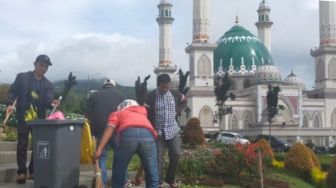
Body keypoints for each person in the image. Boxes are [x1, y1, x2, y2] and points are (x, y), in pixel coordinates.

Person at [6, 54, 59, 184]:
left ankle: (33, 171)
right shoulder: (22, 78)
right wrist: (9, 103)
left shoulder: (48, 85)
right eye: (41, 65)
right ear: (35, 64)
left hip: (39, 121)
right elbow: (12, 92)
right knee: (22, 144)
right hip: (24, 117)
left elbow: (48, 100)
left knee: (38, 146)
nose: (43, 68)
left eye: (46, 66)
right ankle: (22, 172)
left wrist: (52, 103)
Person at [95, 99, 159, 188]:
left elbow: (110, 128)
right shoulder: (142, 114)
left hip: (128, 135)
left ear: (121, 107)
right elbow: (146, 161)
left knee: (118, 177)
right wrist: (139, 175)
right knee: (152, 178)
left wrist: (99, 149)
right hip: (148, 135)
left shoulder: (117, 113)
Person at [146, 74, 187, 188]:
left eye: (167, 87)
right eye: (162, 87)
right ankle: (158, 182)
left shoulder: (175, 94)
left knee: (176, 154)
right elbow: (146, 111)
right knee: (158, 159)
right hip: (158, 132)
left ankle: (170, 178)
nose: (165, 89)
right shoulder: (151, 96)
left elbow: (184, 100)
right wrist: (150, 127)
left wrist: (177, 110)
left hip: (172, 130)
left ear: (169, 85)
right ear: (158, 85)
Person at [86, 78, 124, 187]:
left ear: (104, 86)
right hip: (116, 130)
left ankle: (101, 184)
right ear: (113, 85)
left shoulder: (94, 95)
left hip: (99, 131)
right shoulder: (121, 96)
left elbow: (87, 113)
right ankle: (121, 182)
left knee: (101, 156)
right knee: (121, 156)